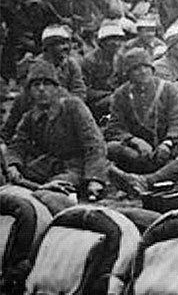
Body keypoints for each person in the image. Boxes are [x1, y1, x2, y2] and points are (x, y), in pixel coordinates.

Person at [3, 60, 108, 201]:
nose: (41, 89)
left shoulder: (74, 107)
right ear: (30, 91)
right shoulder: (31, 116)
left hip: (76, 166)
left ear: (56, 88)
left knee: (52, 193)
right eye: (36, 85)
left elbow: (94, 144)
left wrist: (95, 179)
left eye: (46, 84)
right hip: (48, 165)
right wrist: (13, 165)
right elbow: (17, 144)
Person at [103, 49, 178, 195]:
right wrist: (134, 141)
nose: (143, 72)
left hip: (166, 149)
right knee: (110, 148)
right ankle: (131, 178)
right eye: (136, 69)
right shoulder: (121, 94)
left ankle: (148, 180)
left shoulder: (168, 89)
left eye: (146, 67)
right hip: (138, 153)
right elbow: (115, 126)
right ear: (128, 73)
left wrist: (167, 143)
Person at [2, 24, 86, 142]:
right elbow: (29, 96)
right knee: (21, 99)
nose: (65, 47)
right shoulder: (36, 66)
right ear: (48, 47)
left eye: (66, 43)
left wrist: (72, 107)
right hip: (41, 110)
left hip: (68, 109)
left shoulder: (71, 64)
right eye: (60, 44)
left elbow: (79, 90)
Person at [81, 22, 125, 117]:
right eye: (111, 39)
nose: (116, 43)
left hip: (116, 96)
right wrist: (108, 94)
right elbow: (84, 90)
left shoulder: (120, 58)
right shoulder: (90, 60)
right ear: (102, 42)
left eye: (119, 39)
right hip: (97, 102)